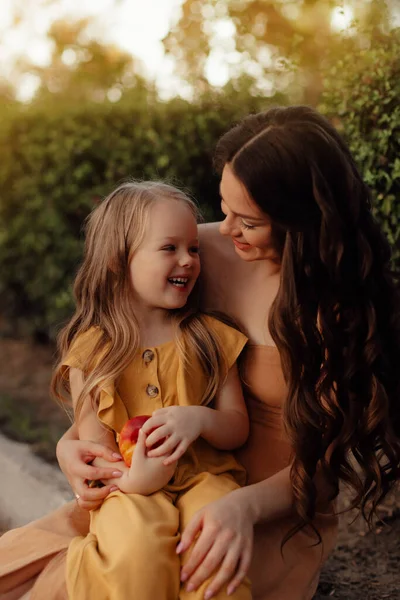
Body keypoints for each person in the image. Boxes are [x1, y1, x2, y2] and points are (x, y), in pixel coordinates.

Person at [1, 105, 399, 600]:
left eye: (247, 220)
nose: (224, 230)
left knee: (203, 576)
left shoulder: (339, 311)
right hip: (152, 483)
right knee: (121, 563)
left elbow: (318, 470)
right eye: (223, 207)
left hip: (261, 507)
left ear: (302, 222)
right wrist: (72, 445)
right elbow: (136, 365)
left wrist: (242, 508)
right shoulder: (196, 253)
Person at [52, 180, 251, 600]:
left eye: (194, 248)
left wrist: (200, 418)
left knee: (212, 546)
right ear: (118, 260)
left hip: (206, 478)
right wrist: (138, 480)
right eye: (169, 248)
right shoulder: (92, 353)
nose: (188, 261)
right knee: (134, 550)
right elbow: (97, 456)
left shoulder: (209, 337)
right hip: (126, 487)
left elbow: (237, 429)